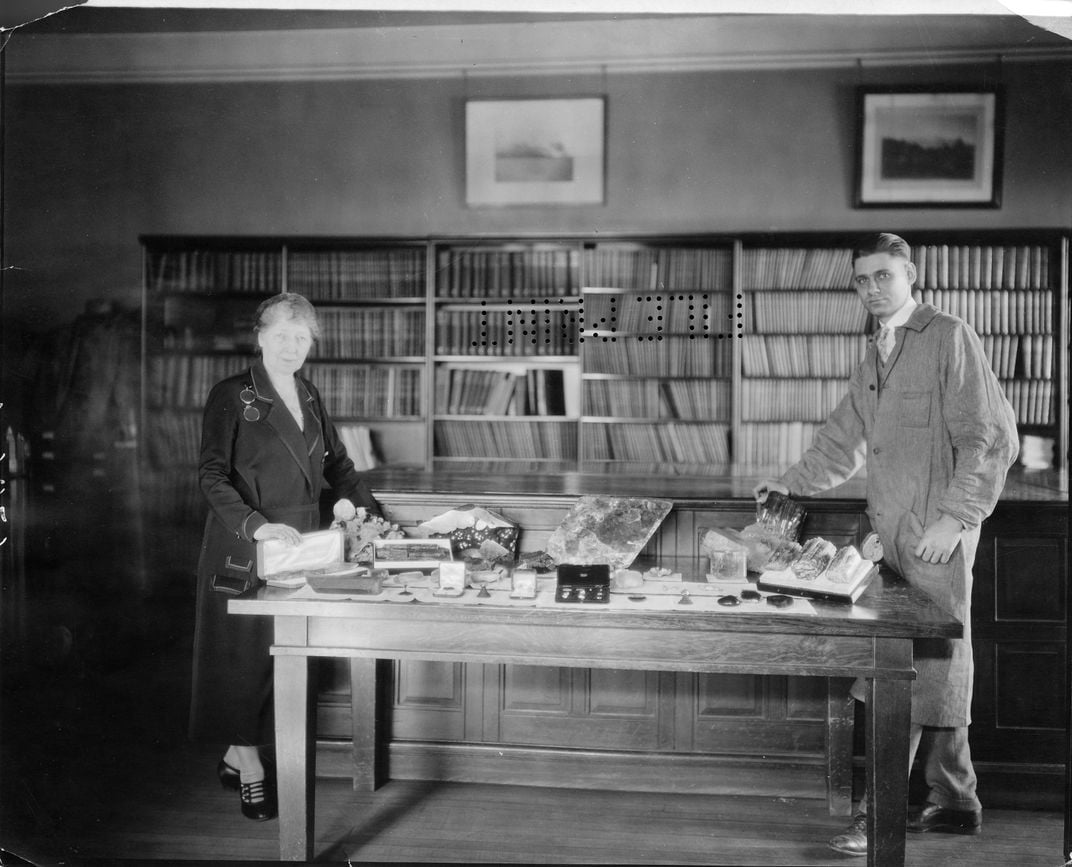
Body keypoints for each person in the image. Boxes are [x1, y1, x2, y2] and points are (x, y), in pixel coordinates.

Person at [753, 232, 1018, 857]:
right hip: (887, 534)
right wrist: (788, 485)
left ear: (911, 276)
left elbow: (990, 437)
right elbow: (841, 441)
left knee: (909, 671)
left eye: (882, 277)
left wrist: (953, 522)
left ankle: (878, 817)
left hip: (935, 534)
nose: (871, 289)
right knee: (934, 666)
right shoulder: (874, 350)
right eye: (861, 280)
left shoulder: (949, 335)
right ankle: (955, 803)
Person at [188, 292, 382, 821]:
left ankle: (236, 755)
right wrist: (257, 526)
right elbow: (211, 475)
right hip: (246, 543)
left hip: (303, 544)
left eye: (302, 337)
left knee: (284, 663)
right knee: (240, 665)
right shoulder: (233, 394)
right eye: (281, 335)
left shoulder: (309, 394)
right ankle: (251, 770)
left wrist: (371, 516)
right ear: (260, 337)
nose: (292, 346)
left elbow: (338, 465)